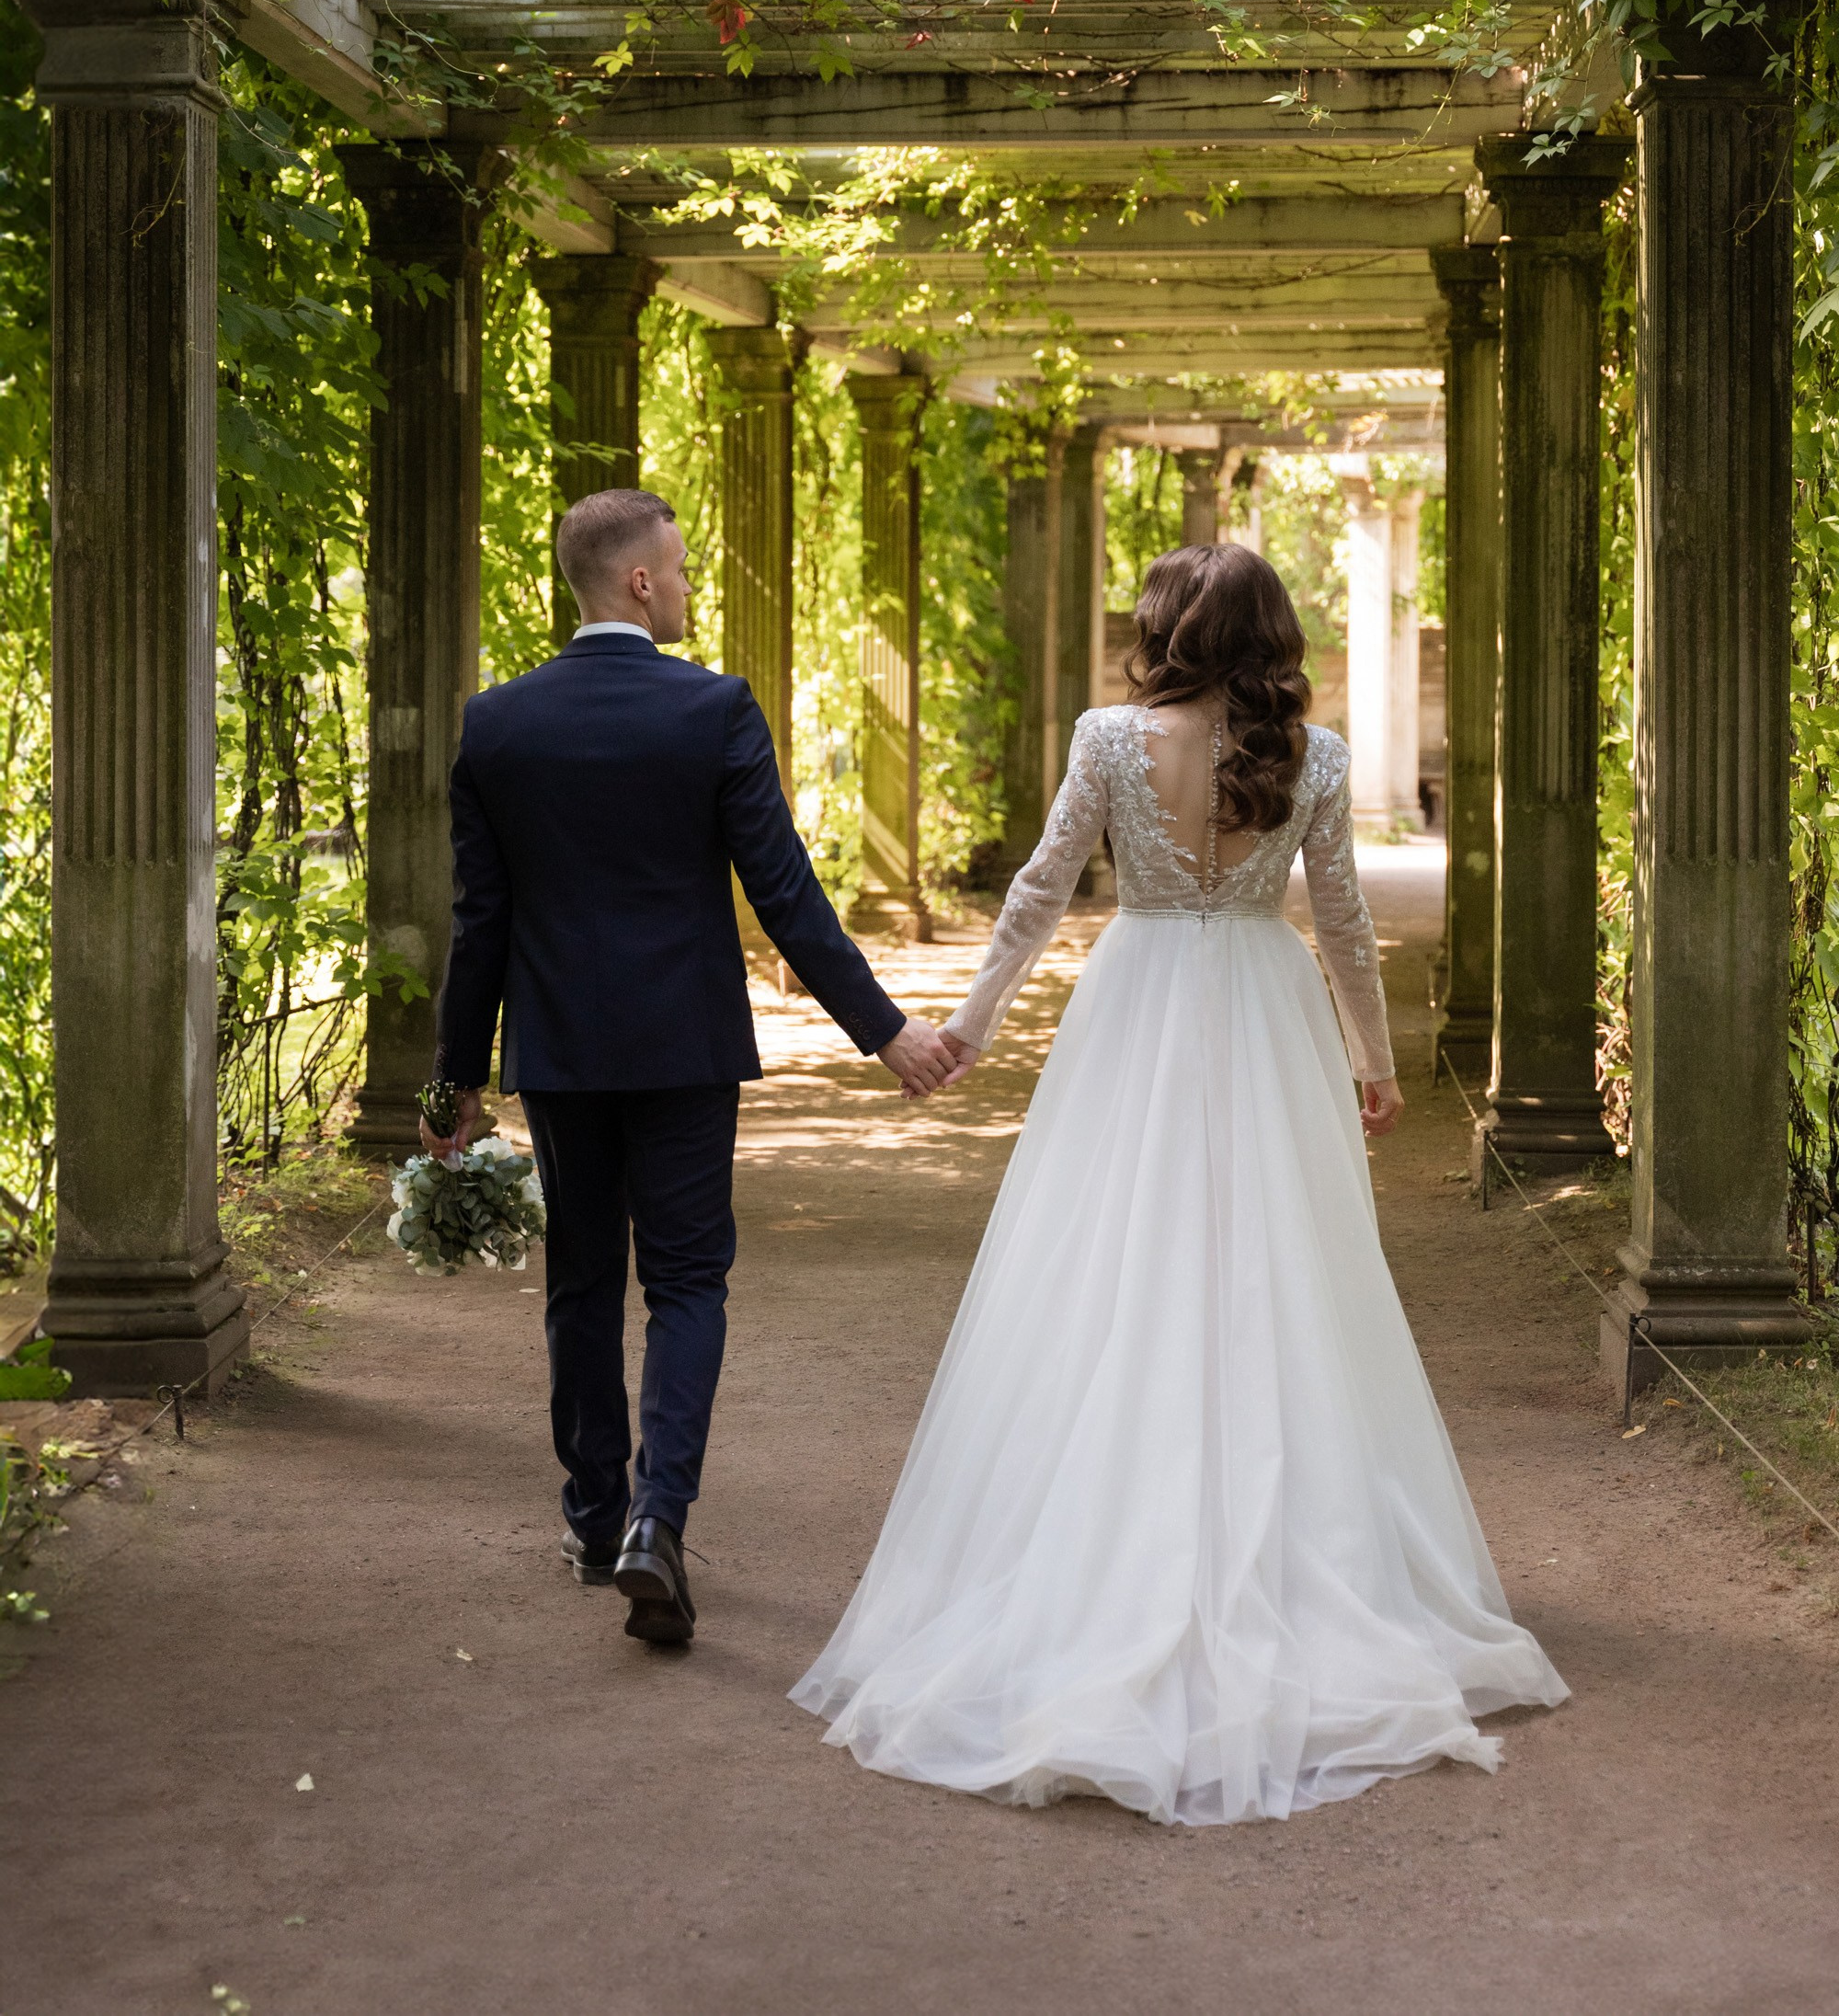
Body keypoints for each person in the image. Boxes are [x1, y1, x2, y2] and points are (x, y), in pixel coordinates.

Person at [793, 543, 1566, 1826]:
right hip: (1267, 1011)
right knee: (1279, 1270)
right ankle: (1288, 1545)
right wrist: (1375, 1064)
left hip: (1135, 1011)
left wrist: (972, 1029)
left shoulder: (1108, 741)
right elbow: (1346, 925)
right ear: (1273, 636)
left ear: (1162, 630)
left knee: (1111, 1262)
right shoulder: (1311, 760)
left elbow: (1040, 895)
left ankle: (1102, 1540)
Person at [428, 486, 954, 1648]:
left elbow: (480, 922)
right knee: (686, 1282)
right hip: (682, 1048)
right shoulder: (710, 709)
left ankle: (591, 1513)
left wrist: (448, 1081)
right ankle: (657, 1522)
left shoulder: (496, 724)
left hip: (561, 1050)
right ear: (638, 583)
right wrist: (887, 1031)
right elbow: (785, 894)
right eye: (679, 564)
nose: (688, 583)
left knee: (578, 1280)